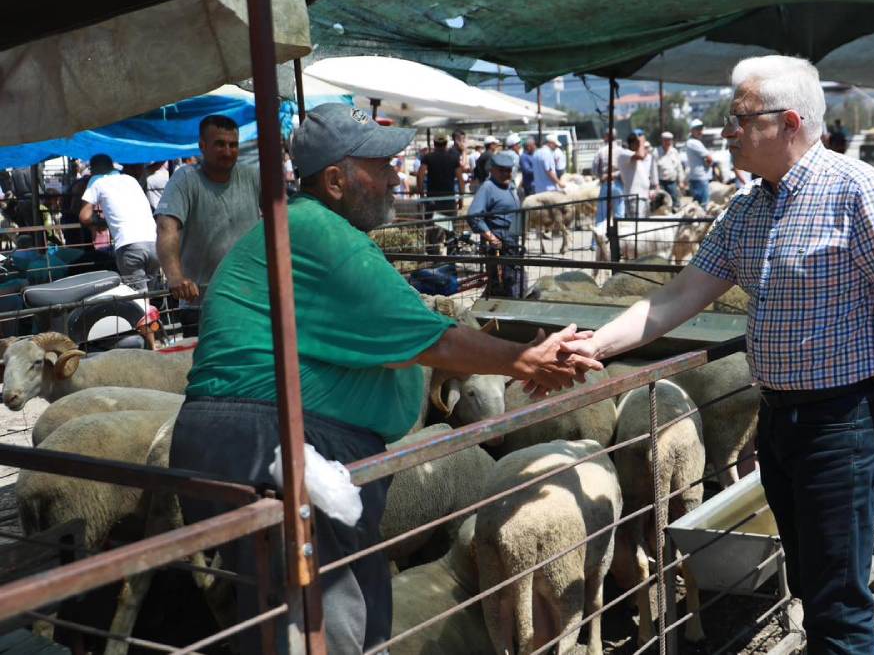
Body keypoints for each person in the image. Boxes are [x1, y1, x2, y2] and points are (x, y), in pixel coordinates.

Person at [170, 103, 601, 655]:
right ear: (335, 180)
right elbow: (431, 336)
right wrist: (524, 358)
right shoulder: (323, 234)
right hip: (274, 442)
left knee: (301, 612)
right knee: (331, 620)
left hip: (243, 437)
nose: (396, 175)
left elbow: (399, 340)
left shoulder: (290, 228)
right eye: (380, 164)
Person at [559, 56, 874, 653]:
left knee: (839, 604)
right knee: (814, 589)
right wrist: (593, 345)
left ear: (788, 123)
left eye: (738, 118)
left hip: (843, 422)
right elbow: (680, 295)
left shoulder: (860, 192)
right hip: (780, 418)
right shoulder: (749, 206)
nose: (725, 131)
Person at [155, 114, 261, 305]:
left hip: (249, 298)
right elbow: (166, 227)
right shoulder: (185, 179)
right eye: (220, 144)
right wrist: (176, 277)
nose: (228, 151)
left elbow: (281, 216)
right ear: (202, 146)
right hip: (201, 303)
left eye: (233, 145)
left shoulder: (251, 176)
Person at [79, 154, 160, 291]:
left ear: (93, 169)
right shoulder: (130, 179)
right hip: (155, 243)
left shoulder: (97, 180)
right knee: (153, 295)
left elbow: (84, 216)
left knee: (140, 299)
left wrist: (100, 222)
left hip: (129, 245)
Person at [467, 150, 525, 297]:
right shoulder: (488, 187)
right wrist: (490, 237)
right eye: (502, 171)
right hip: (499, 243)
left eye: (509, 170)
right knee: (502, 282)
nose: (506, 174)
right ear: (492, 170)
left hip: (513, 242)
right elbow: (474, 215)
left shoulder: (511, 186)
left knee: (513, 280)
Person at [618, 133, 655, 217]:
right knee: (637, 226)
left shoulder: (634, 157)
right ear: (632, 144)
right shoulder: (624, 154)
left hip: (643, 196)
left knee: (644, 227)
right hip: (634, 198)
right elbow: (641, 155)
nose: (640, 147)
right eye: (638, 144)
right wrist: (642, 140)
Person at [593, 130, 626, 224]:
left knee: (601, 215)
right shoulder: (621, 151)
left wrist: (603, 176)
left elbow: (594, 170)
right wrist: (614, 174)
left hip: (605, 184)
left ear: (607, 136)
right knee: (619, 214)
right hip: (618, 184)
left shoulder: (601, 151)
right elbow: (625, 169)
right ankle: (620, 237)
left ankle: (598, 238)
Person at [685, 119, 713, 204]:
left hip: (696, 177)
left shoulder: (691, 142)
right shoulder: (694, 142)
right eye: (697, 129)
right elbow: (709, 158)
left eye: (701, 129)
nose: (700, 131)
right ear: (691, 130)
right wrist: (708, 165)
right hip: (700, 177)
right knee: (703, 205)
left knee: (698, 205)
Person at [655, 131, 684, 204]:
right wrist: (656, 184)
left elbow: (679, 167)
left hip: (672, 182)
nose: (668, 142)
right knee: (661, 203)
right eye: (665, 140)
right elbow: (653, 170)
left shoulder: (674, 152)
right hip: (661, 182)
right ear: (662, 141)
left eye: (669, 140)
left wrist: (681, 181)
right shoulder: (656, 152)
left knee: (675, 202)